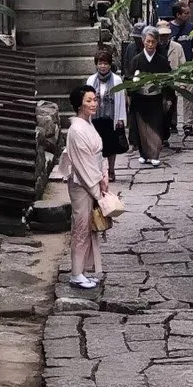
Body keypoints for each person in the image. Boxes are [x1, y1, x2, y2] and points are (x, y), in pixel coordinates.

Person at [62, 84, 109, 288]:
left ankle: (83, 270)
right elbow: (83, 165)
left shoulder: (87, 125)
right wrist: (98, 187)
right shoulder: (76, 130)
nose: (93, 104)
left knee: (88, 227)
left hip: (93, 179)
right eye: (89, 100)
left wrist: (104, 174)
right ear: (79, 104)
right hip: (83, 184)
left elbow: (98, 156)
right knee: (80, 227)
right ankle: (76, 273)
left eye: (95, 99)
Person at [128, 27, 170, 165]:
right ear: (143, 41)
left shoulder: (162, 61)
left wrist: (168, 98)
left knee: (156, 124)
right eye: (148, 41)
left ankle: (155, 154)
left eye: (153, 42)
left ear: (157, 42)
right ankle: (144, 153)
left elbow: (168, 81)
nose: (150, 45)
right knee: (141, 126)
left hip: (156, 97)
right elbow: (128, 79)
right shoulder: (136, 60)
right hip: (140, 98)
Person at [86, 47, 128, 180]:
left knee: (111, 146)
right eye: (100, 63)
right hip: (96, 117)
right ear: (96, 64)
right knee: (96, 147)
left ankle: (111, 170)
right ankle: (98, 171)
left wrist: (121, 119)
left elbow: (121, 100)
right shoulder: (91, 80)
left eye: (105, 63)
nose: (102, 66)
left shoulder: (116, 80)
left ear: (110, 65)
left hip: (111, 117)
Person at [170, 3, 193, 137]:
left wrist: (192, 63)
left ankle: (188, 124)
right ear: (178, 14)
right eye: (186, 13)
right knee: (172, 96)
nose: (189, 15)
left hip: (187, 67)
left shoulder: (191, 28)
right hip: (173, 68)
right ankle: (172, 122)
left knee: (188, 96)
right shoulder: (169, 29)